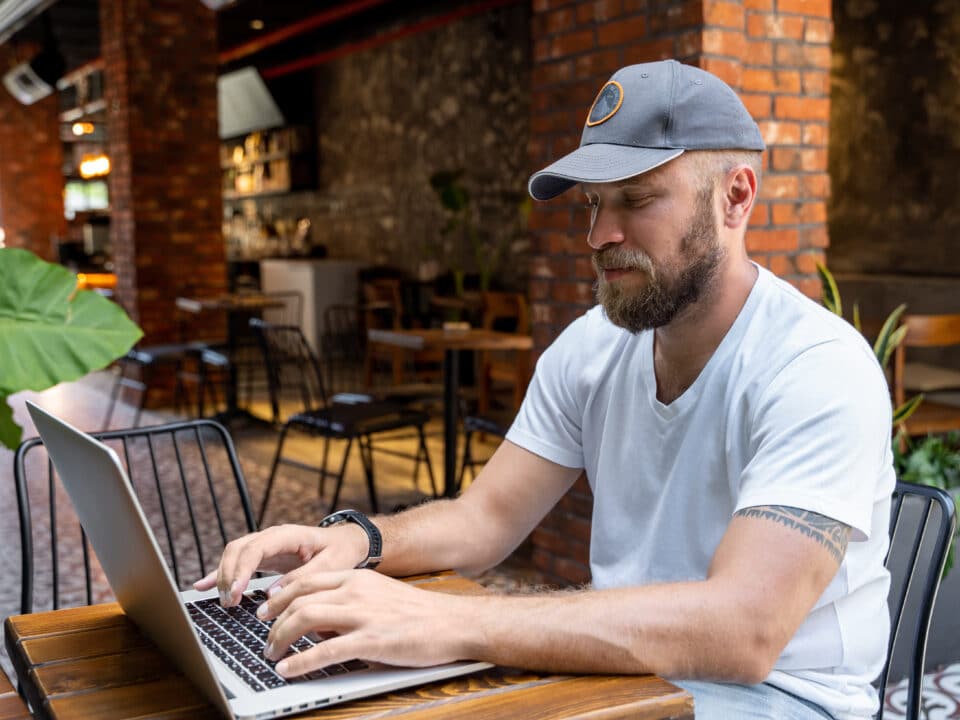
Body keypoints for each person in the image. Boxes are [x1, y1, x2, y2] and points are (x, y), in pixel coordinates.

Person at [196, 60, 894, 720]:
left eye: (637, 200)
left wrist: (452, 621)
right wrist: (356, 539)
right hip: (625, 673)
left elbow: (744, 632)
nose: (599, 234)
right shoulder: (595, 346)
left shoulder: (817, 366)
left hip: (781, 697)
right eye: (593, 205)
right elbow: (485, 521)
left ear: (736, 197)